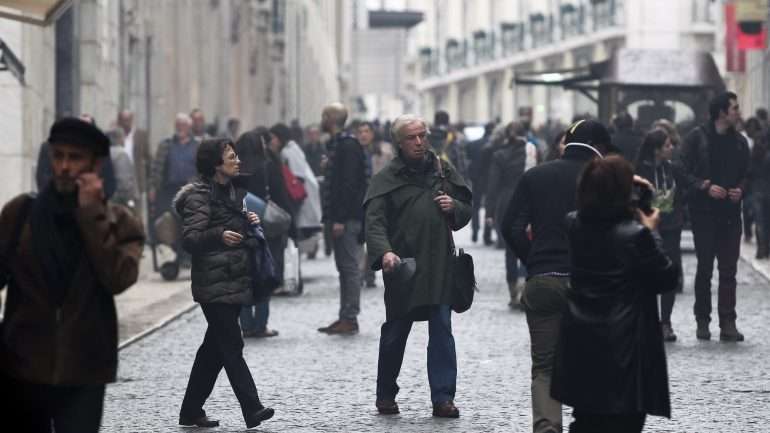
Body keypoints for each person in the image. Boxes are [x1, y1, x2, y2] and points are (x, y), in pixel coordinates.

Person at [0, 117, 144, 432]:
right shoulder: (19, 214)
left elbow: (118, 278)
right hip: (22, 371)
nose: (64, 167)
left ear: (96, 164)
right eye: (58, 156)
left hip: (85, 372)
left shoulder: (120, 223)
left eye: (75, 158)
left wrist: (91, 214)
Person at [501, 119, 619, 433]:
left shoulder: (535, 175)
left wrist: (533, 260)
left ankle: (547, 426)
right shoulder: (604, 180)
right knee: (593, 361)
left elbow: (509, 227)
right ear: (601, 148)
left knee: (544, 365)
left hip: (542, 279)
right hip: (589, 283)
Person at [552, 155, 678, 433]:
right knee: (624, 424)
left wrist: (608, 182)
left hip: (583, 343)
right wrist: (652, 232)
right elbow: (667, 277)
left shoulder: (574, 224)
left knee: (585, 420)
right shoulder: (636, 236)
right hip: (625, 347)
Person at [364, 114, 472, 419]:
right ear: (399, 142)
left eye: (423, 135)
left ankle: (442, 397)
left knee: (442, 330)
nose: (420, 141)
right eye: (412, 137)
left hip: (438, 265)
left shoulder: (442, 170)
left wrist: (455, 208)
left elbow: (465, 207)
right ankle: (386, 393)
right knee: (396, 331)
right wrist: (384, 253)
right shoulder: (386, 178)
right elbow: (374, 222)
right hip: (404, 267)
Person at [174, 138, 275, 429]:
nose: (238, 160)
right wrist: (219, 235)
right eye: (231, 156)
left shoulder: (233, 191)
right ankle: (251, 407)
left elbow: (232, 227)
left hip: (233, 280)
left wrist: (248, 221)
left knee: (213, 349)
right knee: (231, 343)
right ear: (216, 164)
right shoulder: (198, 196)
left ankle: (190, 411)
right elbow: (191, 239)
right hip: (213, 283)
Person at [678, 91, 750, 341]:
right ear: (722, 112)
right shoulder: (696, 138)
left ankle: (728, 322)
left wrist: (741, 189)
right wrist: (704, 186)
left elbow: (748, 173)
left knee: (729, 270)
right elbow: (681, 169)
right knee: (705, 268)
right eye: (735, 108)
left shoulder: (740, 141)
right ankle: (702, 320)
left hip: (731, 215)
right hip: (704, 214)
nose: (738, 112)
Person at [235, 128, 292, 338]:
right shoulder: (267, 166)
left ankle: (246, 324)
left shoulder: (235, 169)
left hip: (240, 226)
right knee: (263, 275)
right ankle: (260, 324)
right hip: (264, 228)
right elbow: (280, 196)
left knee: (243, 277)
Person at [317, 103, 367, 335]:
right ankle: (344, 315)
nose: (321, 119)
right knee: (344, 268)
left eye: (324, 116)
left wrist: (339, 219)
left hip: (347, 219)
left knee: (349, 268)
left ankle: (350, 317)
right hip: (342, 217)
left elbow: (348, 185)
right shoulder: (339, 145)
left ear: (330, 118)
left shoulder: (347, 145)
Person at [634, 129, 686, 341]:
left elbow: (684, 189)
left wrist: (679, 211)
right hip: (646, 227)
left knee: (669, 273)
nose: (671, 148)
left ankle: (666, 321)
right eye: (667, 145)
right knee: (644, 274)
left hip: (671, 226)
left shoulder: (673, 169)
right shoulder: (639, 171)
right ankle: (646, 320)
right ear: (656, 150)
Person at [486, 122, 537, 308]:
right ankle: (525, 285)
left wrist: (490, 211)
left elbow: (493, 185)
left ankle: (513, 291)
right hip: (528, 201)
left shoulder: (499, 155)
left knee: (510, 248)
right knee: (527, 242)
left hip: (506, 202)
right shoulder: (532, 152)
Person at [273, 122, 323, 291]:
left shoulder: (289, 152)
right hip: (297, 203)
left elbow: (297, 178)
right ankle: (294, 277)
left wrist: (292, 203)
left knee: (293, 245)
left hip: (296, 203)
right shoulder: (291, 150)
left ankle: (294, 278)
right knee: (294, 246)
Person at [117, 110, 151, 211]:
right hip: (120, 179)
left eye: (128, 120)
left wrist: (148, 182)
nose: (125, 123)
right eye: (123, 120)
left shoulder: (141, 135)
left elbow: (148, 158)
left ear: (132, 120)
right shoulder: (116, 134)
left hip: (136, 179)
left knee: (136, 211)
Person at [106, 128, 139, 210]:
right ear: (118, 138)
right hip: (120, 203)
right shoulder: (121, 154)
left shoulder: (105, 152)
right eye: (123, 137)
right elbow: (124, 182)